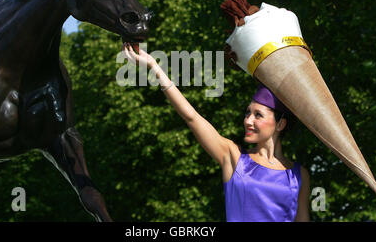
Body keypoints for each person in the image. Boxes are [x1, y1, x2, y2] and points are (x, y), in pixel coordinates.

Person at [122, 43, 310, 222]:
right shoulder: (234, 157)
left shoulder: (299, 175)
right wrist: (155, 66)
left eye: (258, 115)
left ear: (280, 124)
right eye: (247, 113)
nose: (248, 120)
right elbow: (192, 117)